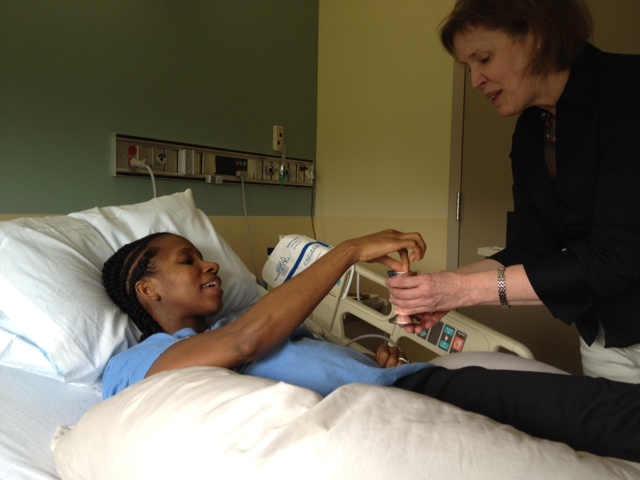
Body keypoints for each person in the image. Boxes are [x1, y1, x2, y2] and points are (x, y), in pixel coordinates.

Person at [100, 231, 640, 462]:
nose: (210, 264)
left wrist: (367, 364)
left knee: (598, 412)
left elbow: (257, 342)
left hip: (409, 390)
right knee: (599, 413)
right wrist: (349, 251)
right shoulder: (135, 362)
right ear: (148, 291)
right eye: (188, 261)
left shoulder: (246, 319)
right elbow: (243, 344)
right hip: (395, 409)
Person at [387, 0, 640, 383]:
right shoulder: (531, 132)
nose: (476, 81)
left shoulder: (627, 90)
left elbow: (617, 255)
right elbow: (532, 248)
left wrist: (460, 290)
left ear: (537, 37)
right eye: (469, 67)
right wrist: (436, 288)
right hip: (603, 337)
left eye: (484, 59)